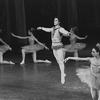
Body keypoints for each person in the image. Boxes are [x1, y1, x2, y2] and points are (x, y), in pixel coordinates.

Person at [37, 17, 71, 84]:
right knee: (58, 61)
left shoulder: (60, 29)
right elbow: (47, 29)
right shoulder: (52, 28)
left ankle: (62, 77)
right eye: (54, 20)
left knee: (61, 62)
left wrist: (68, 33)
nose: (54, 21)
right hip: (53, 47)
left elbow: (65, 32)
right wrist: (41, 28)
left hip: (59, 46)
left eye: (56, 20)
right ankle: (63, 73)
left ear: (59, 22)